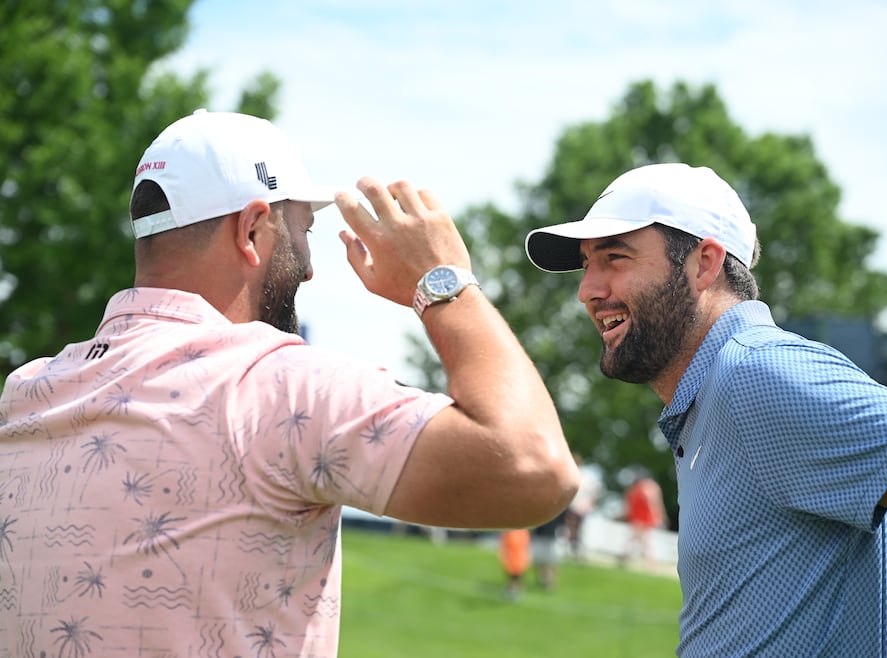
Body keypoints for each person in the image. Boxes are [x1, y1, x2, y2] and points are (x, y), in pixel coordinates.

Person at [0, 110, 579, 657]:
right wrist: (443, 281)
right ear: (252, 229)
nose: (307, 267)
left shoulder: (25, 394)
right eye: (301, 231)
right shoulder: (275, 388)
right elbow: (535, 469)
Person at [524, 162, 887, 657]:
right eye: (588, 263)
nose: (587, 289)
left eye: (614, 257)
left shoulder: (757, 374)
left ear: (705, 263)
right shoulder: (720, 392)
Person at [621, 467, 666, 568]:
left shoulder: (648, 487)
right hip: (639, 518)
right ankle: (645, 559)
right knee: (640, 539)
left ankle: (646, 560)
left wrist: (658, 516)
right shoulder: (637, 488)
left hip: (645, 518)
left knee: (642, 540)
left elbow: (653, 503)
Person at [564, 452, 602, 560]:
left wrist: (588, 505)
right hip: (574, 507)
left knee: (575, 529)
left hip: (580, 508)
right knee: (573, 529)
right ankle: (574, 548)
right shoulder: (576, 476)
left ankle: (576, 549)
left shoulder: (584, 477)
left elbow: (593, 492)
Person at [530, 507, 568, 590]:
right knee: (540, 561)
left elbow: (563, 521)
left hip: (552, 536)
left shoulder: (560, 507)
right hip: (540, 535)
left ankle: (550, 582)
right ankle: (543, 580)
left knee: (551, 562)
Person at [498, 528, 532, 600]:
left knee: (516, 574)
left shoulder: (519, 532)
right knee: (512, 573)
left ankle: (515, 589)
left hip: (517, 555)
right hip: (514, 555)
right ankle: (513, 588)